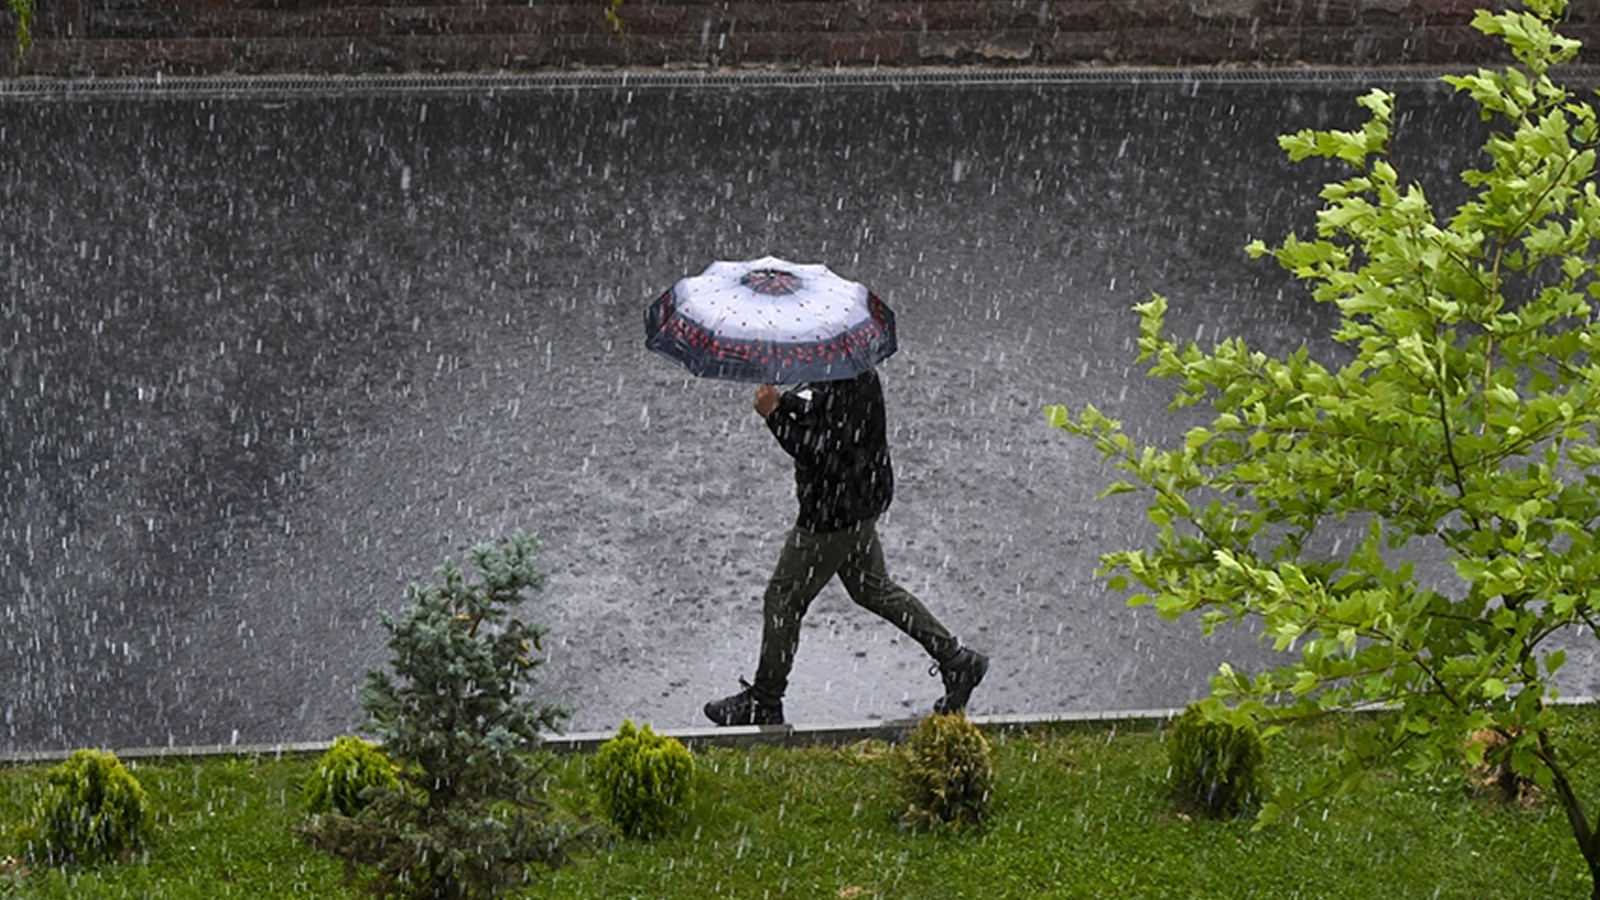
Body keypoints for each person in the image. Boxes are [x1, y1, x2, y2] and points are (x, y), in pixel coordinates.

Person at [704, 368, 988, 726]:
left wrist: (774, 415)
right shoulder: (845, 368)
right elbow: (818, 408)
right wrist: (787, 401)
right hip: (857, 501)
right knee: (871, 587)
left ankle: (765, 699)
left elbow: (821, 452)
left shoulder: (845, 379)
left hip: (833, 514)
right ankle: (959, 662)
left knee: (783, 598)